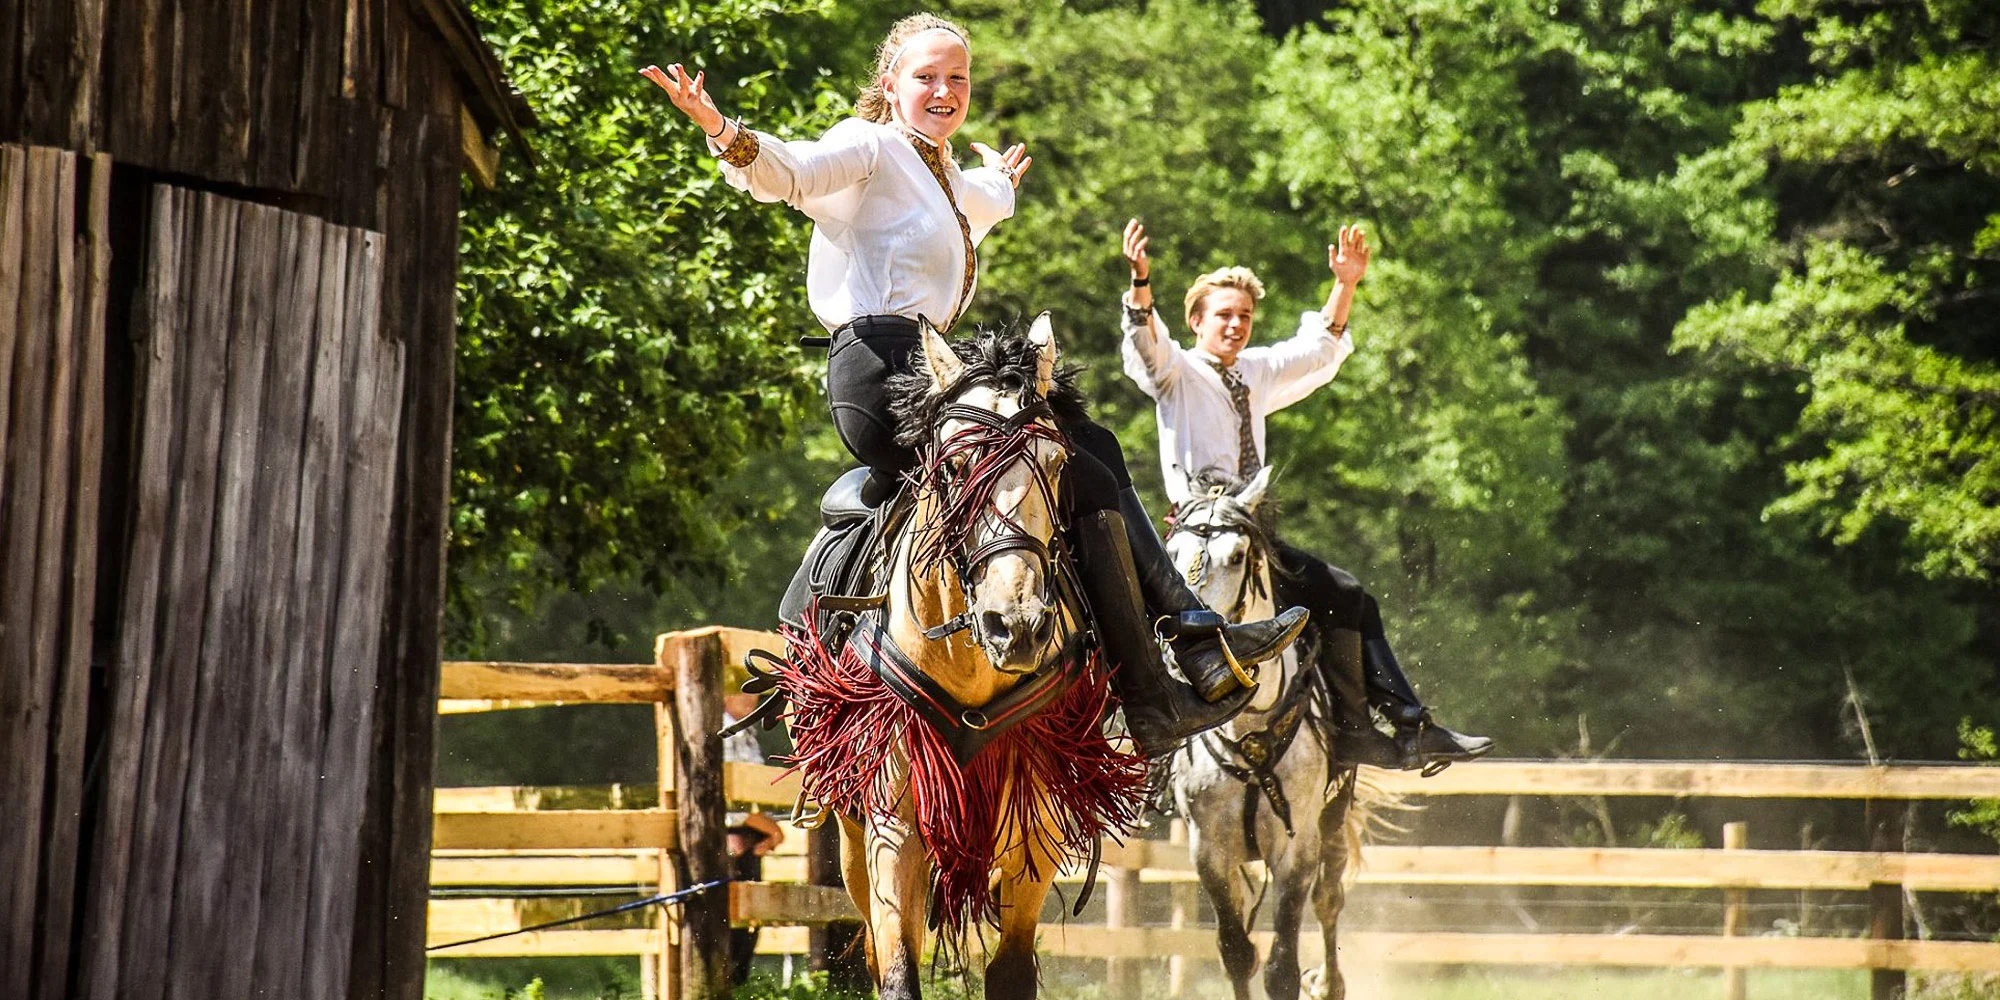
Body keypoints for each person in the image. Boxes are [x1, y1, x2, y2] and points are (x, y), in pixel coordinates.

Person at [640, 14, 1307, 756]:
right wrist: (721, 128)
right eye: (926, 75)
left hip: (934, 365)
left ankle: (1176, 660)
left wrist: (999, 181)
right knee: (1048, 456)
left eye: (957, 78)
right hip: (878, 371)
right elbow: (790, 173)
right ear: (889, 84)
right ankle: (1177, 659)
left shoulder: (950, 177)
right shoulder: (866, 147)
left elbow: (976, 205)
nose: (943, 89)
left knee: (1084, 452)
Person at [1117, 218, 1493, 772]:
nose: (1236, 325)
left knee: (1346, 593)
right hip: (1197, 528)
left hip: (1250, 530)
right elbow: (1148, 347)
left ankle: (1387, 727)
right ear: (1195, 321)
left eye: (1244, 316)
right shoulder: (1179, 373)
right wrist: (1141, 283)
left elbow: (1317, 350)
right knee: (1129, 605)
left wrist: (1346, 283)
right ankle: (1134, 751)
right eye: (1223, 314)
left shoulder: (1255, 372)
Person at [721, 692, 785, 986]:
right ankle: (725, 983)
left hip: (747, 839)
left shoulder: (744, 731)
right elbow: (734, 805)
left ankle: (735, 983)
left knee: (748, 920)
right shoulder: (725, 732)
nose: (753, 698)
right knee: (732, 921)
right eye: (743, 691)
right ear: (724, 695)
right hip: (731, 839)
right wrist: (772, 831)